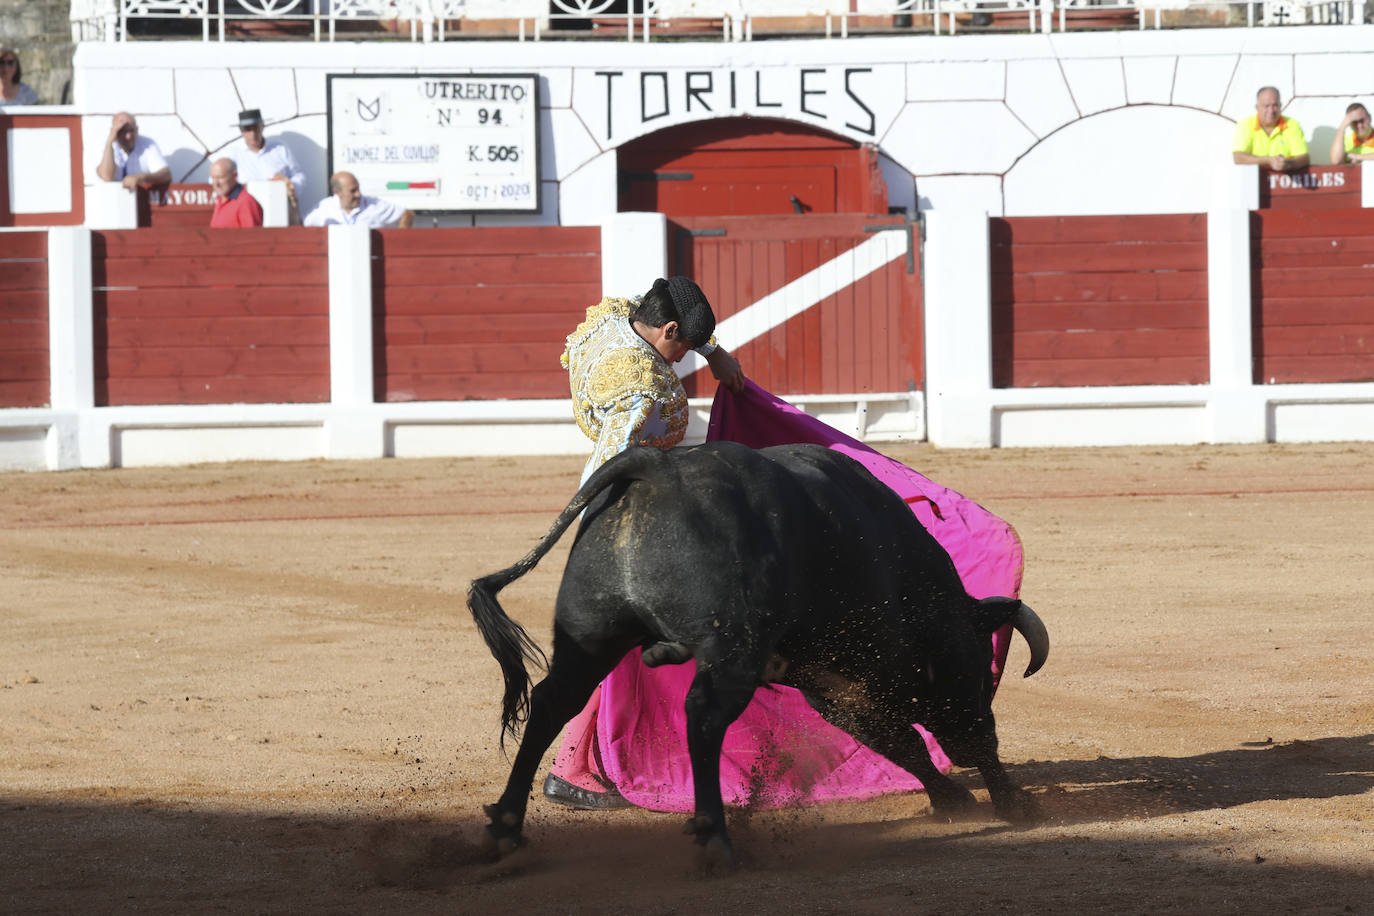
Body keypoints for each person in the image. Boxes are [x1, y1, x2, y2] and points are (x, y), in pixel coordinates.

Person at [543, 276, 745, 808]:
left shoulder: (621, 318)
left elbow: (664, 303)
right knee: (630, 641)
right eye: (681, 347)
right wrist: (600, 544)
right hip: (632, 508)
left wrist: (713, 352)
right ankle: (571, 766)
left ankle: (580, 761)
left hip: (648, 486)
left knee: (625, 645)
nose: (680, 361)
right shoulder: (637, 389)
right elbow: (609, 463)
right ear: (667, 330)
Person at [231, 108, 305, 217]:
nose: (252, 134)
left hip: (279, 210)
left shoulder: (280, 148)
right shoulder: (233, 155)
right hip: (247, 212)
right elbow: (218, 181)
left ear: (262, 126)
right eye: (247, 129)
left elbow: (298, 175)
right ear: (241, 131)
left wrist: (290, 186)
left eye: (255, 128)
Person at [1232, 86, 1309, 173]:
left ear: (1280, 106)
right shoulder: (1245, 125)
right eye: (1266, 106)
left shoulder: (1292, 124)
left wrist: (1287, 164)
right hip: (1252, 183)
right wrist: (1269, 160)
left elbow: (1304, 158)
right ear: (1257, 108)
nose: (1271, 110)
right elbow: (1238, 157)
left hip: (1283, 184)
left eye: (1275, 105)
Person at [303, 171, 414, 228]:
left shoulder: (373, 204)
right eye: (352, 191)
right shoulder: (325, 207)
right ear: (337, 193)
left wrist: (399, 242)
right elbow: (303, 225)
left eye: (358, 188)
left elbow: (407, 214)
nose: (358, 194)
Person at [95, 112, 171, 191]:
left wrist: (141, 177)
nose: (128, 136)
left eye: (131, 130)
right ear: (114, 132)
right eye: (123, 131)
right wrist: (109, 142)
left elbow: (166, 175)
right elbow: (106, 177)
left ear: (137, 130)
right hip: (113, 198)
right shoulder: (107, 145)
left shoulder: (147, 143)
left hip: (139, 198)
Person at [208, 157, 263, 228]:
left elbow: (252, 237)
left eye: (220, 177)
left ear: (235, 175)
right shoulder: (221, 199)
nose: (216, 183)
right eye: (213, 178)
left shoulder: (246, 202)